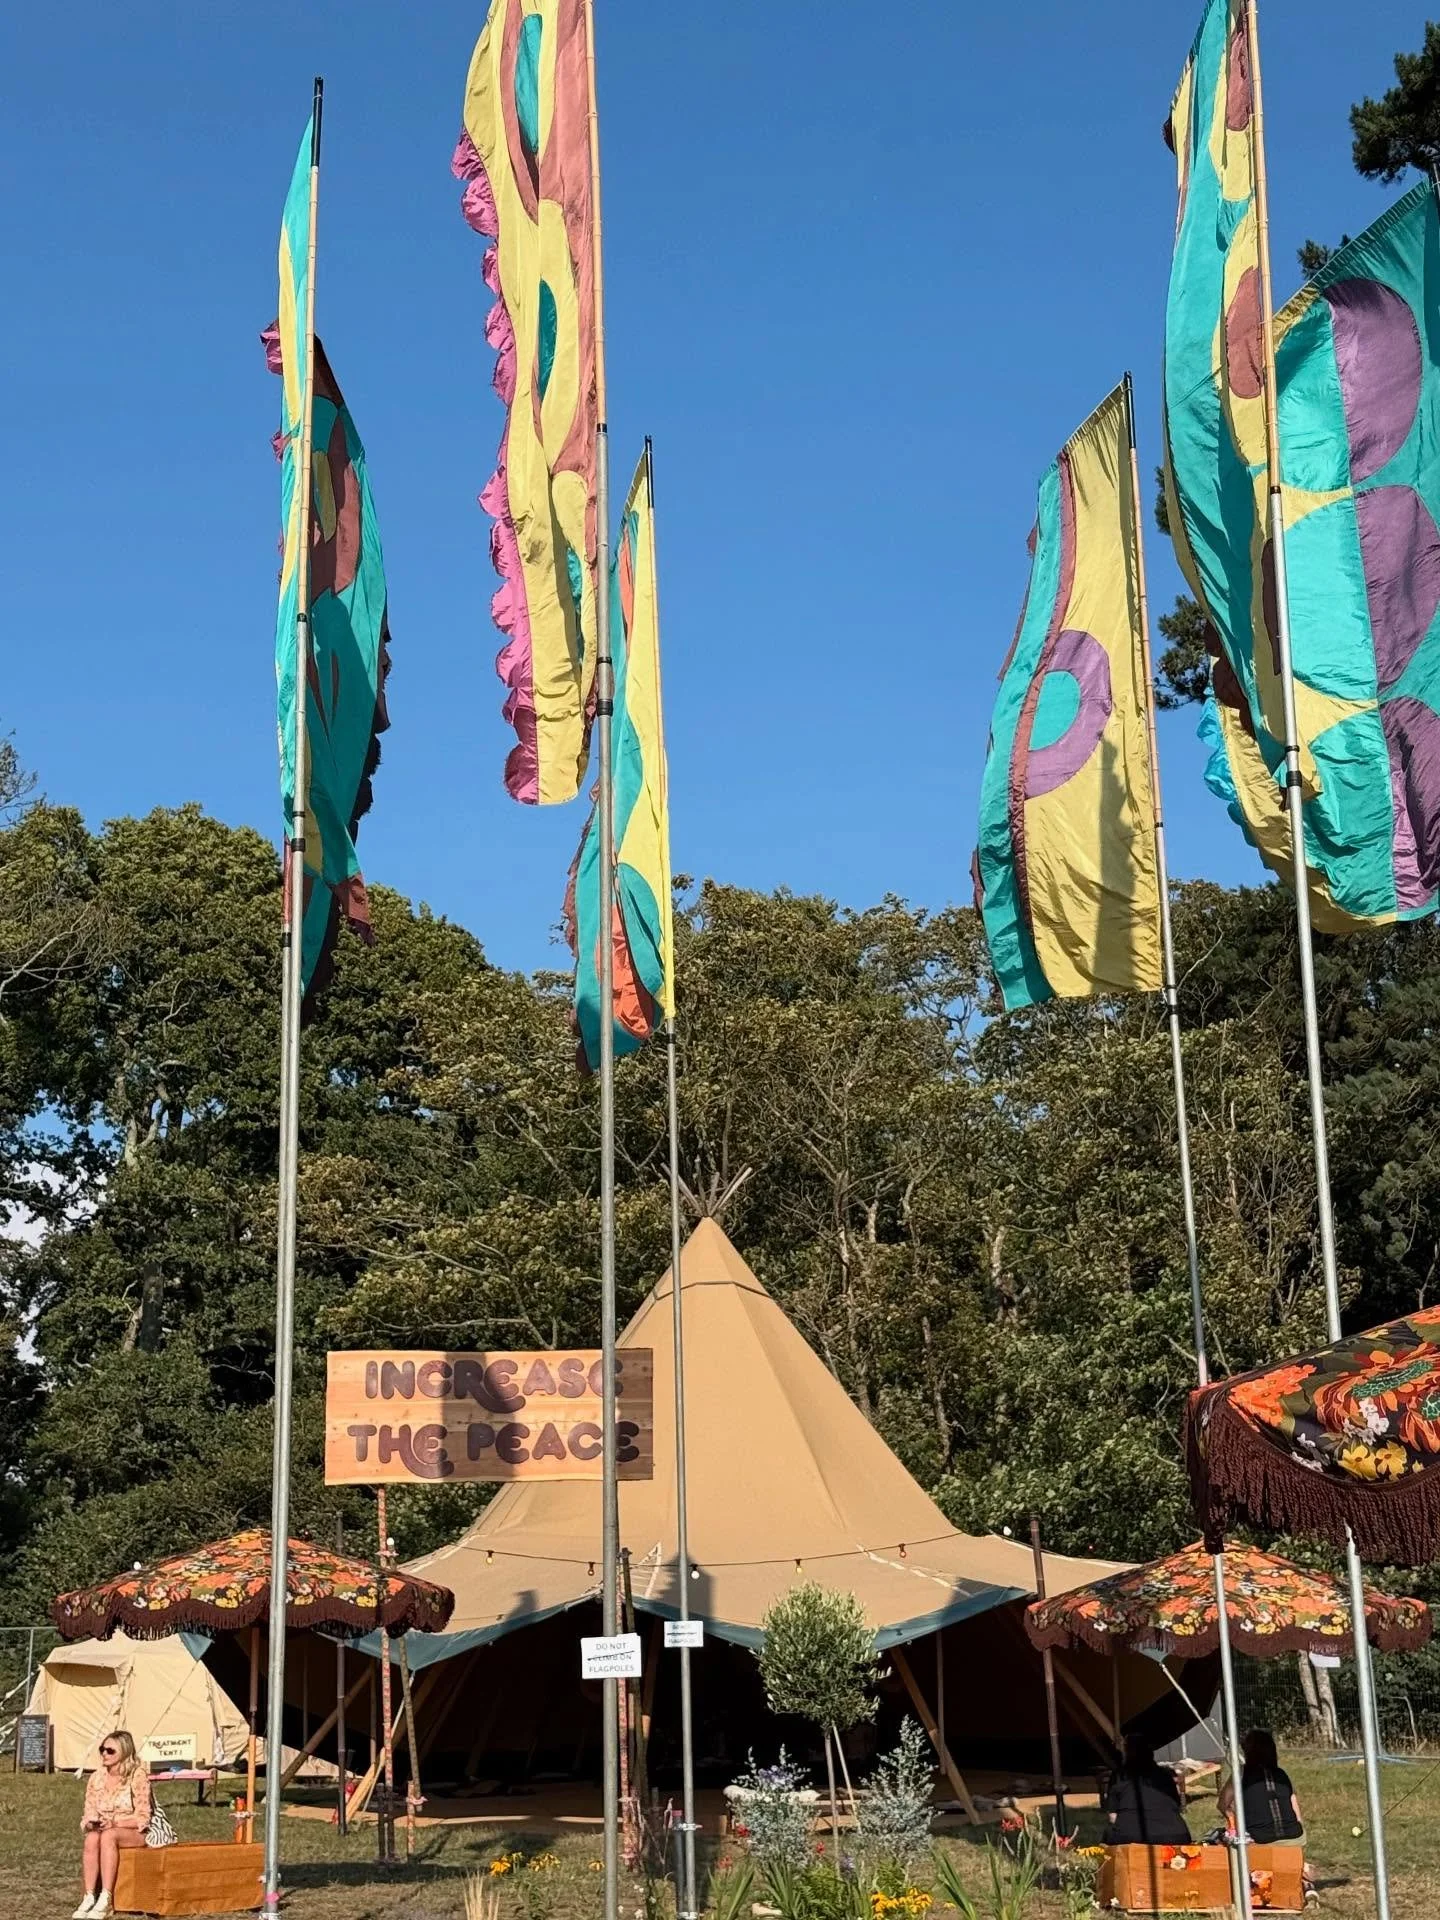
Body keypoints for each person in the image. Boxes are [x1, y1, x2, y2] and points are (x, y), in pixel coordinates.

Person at [75, 1730, 152, 1919]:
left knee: (109, 1836)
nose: (104, 1754)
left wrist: (115, 1823)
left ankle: (106, 1897)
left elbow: (143, 1817)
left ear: (124, 1752)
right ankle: (89, 1895)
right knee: (92, 1838)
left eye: (110, 1751)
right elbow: (88, 1811)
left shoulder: (137, 1776)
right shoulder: (96, 1777)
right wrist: (92, 1823)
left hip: (133, 1830)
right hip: (103, 1829)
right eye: (102, 1749)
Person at [1218, 1728, 1304, 1845]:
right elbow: (1295, 1807)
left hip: (1260, 1839)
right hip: (1295, 1836)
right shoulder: (1281, 1774)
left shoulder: (1241, 1774)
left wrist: (1233, 1819)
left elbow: (1223, 1804)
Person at [1102, 1734, 1192, 1847]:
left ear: (1127, 1751)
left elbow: (1112, 1817)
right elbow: (1176, 1806)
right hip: (1176, 1835)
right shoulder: (1165, 1775)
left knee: (1107, 1837)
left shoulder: (1120, 1776)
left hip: (1130, 1837)